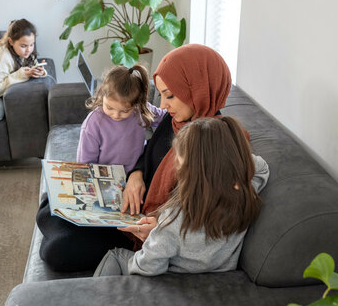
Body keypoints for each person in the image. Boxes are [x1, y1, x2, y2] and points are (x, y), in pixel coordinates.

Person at [36, 44, 245, 272]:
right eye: (162, 95)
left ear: (199, 90)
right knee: (51, 202)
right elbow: (148, 151)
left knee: (56, 250)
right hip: (128, 201)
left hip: (144, 228)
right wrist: (136, 174)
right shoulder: (176, 119)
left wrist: (158, 227)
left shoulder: (215, 143)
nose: (163, 105)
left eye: (170, 96)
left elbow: (204, 217)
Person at [93, 116, 269, 276]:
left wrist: (153, 238)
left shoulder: (173, 220)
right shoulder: (245, 195)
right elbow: (261, 167)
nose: (176, 167)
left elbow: (148, 267)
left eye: (180, 163)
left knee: (114, 256)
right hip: (217, 275)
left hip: (175, 279)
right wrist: (233, 170)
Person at [77, 64, 166, 173]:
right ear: (102, 95)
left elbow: (164, 117)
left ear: (136, 104)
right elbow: (85, 162)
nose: (116, 115)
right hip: (106, 178)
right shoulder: (93, 123)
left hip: (136, 172)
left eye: (125, 111)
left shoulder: (140, 110)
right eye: (109, 107)